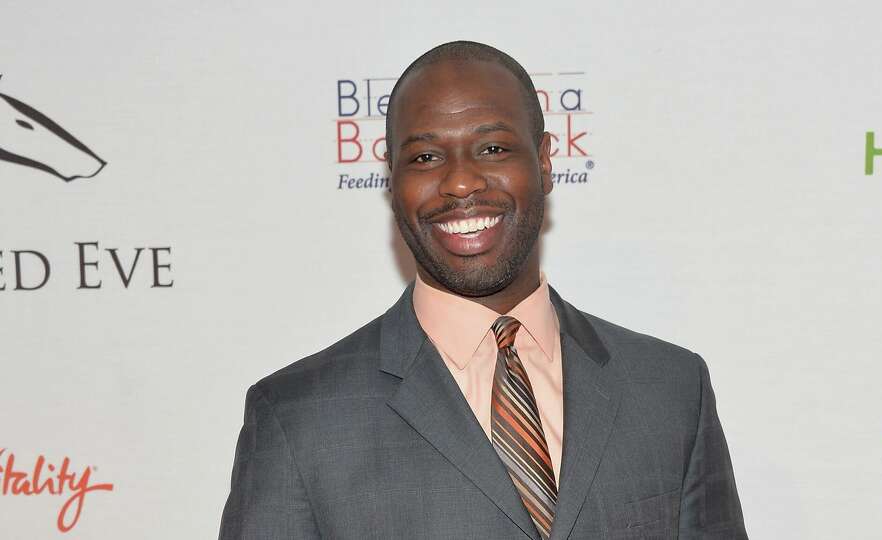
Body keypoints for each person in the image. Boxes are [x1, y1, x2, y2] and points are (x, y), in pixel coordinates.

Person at [219, 40, 747, 540]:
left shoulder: (671, 390)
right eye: (425, 157)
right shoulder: (297, 419)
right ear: (392, 181)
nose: (461, 182)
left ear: (543, 162)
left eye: (493, 148)